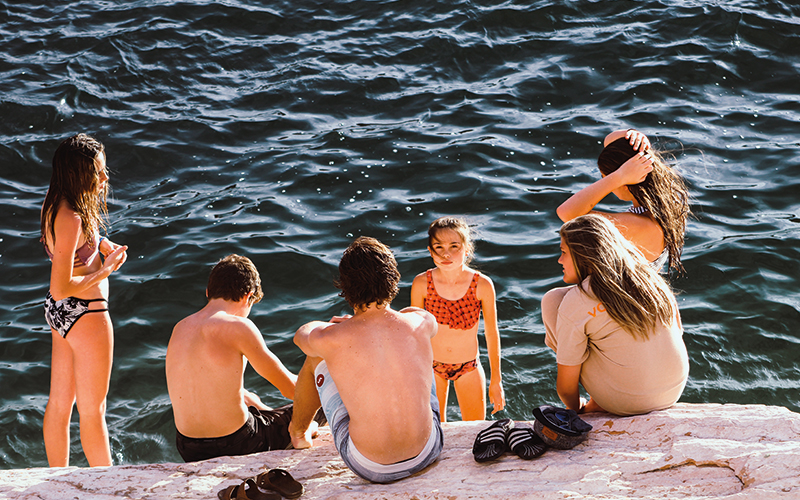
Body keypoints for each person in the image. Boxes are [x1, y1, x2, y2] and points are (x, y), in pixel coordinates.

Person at [288, 237, 443, 483]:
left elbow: (301, 335)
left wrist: (336, 326)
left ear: (345, 286)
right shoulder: (420, 322)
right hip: (428, 451)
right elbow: (418, 317)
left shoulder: (331, 338)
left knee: (315, 359)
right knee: (419, 352)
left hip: (372, 467)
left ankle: (298, 433)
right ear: (393, 279)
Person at [541, 214, 689, 416]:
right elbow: (677, 333)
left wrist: (574, 409)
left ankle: (596, 403)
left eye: (564, 252)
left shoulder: (577, 301)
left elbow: (566, 388)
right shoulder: (650, 279)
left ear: (582, 255)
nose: (560, 260)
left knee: (552, 301)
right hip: (673, 390)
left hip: (625, 401)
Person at [40, 134, 128, 467]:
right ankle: (108, 485)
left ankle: (55, 479)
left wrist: (101, 244)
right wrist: (104, 271)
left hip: (60, 315)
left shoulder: (55, 200)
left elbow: (71, 249)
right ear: (80, 173)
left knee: (59, 405)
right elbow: (62, 286)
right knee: (93, 411)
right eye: (99, 172)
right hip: (85, 313)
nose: (105, 178)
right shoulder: (72, 217)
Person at [165, 254, 298, 462]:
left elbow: (207, 384)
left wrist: (259, 405)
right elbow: (290, 389)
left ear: (208, 292)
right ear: (248, 296)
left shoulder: (180, 327)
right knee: (320, 399)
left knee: (251, 399)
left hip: (188, 447)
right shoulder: (238, 326)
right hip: (238, 442)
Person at [410, 216, 505, 422]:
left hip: (468, 366)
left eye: (454, 246)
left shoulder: (482, 284)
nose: (446, 253)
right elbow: (415, 333)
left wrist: (496, 380)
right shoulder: (421, 283)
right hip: (432, 366)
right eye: (439, 246)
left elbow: (491, 333)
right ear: (430, 250)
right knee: (435, 430)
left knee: (475, 429)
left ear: (467, 248)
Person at [556, 129, 690, 272]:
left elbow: (567, 214)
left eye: (605, 177)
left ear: (626, 184)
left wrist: (619, 177)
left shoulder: (642, 225)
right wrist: (635, 136)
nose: (606, 182)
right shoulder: (667, 204)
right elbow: (609, 141)